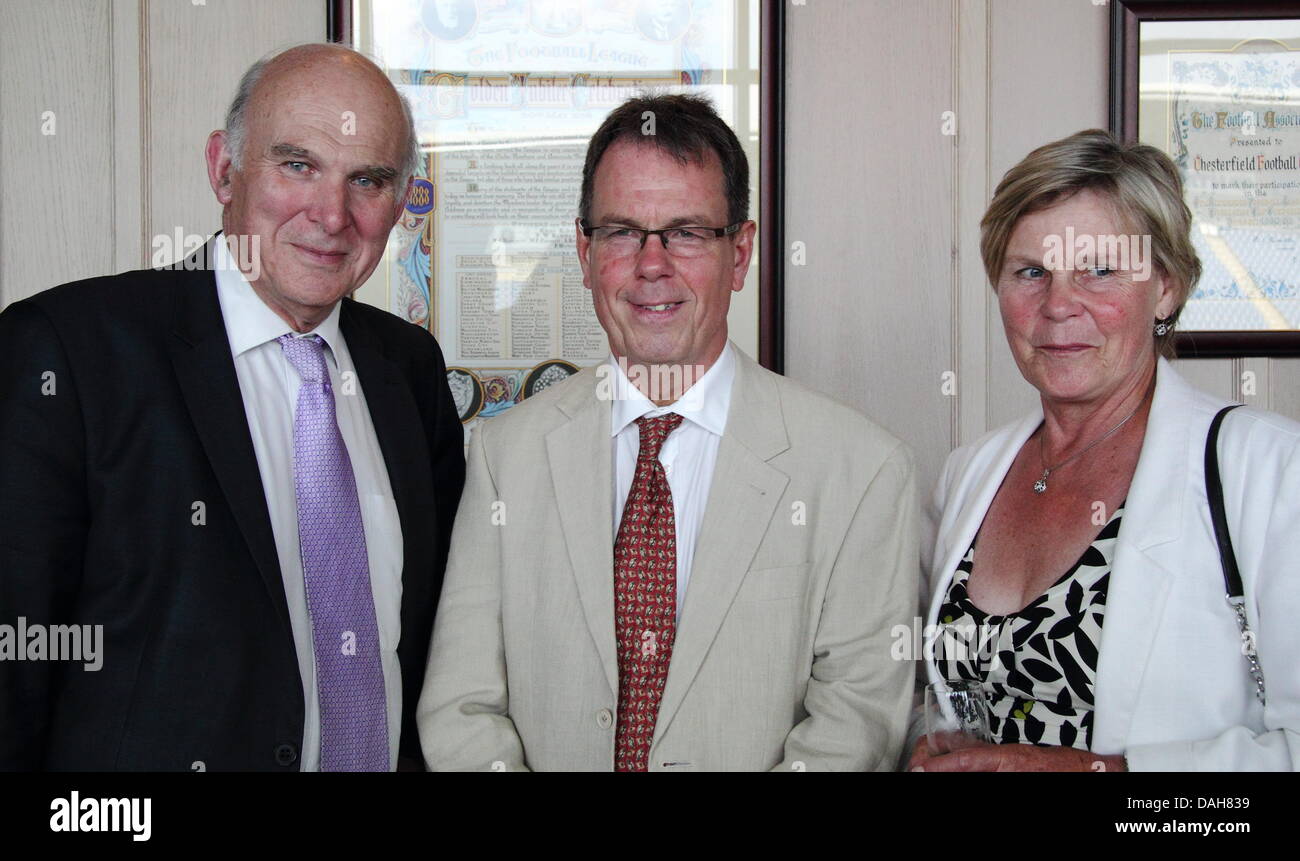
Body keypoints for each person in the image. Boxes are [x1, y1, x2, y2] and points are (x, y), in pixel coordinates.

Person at [417, 93, 919, 771]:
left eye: (686, 231)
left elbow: (854, 722)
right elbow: (461, 706)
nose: (652, 263)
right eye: (623, 231)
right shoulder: (507, 456)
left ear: (739, 254)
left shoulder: (861, 469)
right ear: (585, 251)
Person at [0, 44, 465, 771]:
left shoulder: (409, 369)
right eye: (297, 165)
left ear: (400, 201)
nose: (331, 214)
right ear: (224, 169)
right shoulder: (70, 352)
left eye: (367, 180)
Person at [911, 130, 1299, 771]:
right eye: (1031, 272)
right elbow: (941, 697)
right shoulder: (971, 473)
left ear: (1167, 287)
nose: (1060, 305)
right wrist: (929, 741)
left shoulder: (1267, 471)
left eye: (1100, 269)